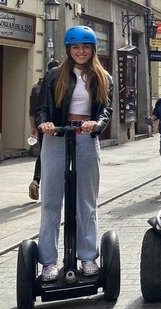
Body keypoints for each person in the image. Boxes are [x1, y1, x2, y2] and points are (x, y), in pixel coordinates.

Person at [35, 26, 113, 281]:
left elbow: (105, 111)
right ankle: (48, 262)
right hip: (56, 136)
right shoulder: (54, 75)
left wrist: (97, 125)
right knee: (50, 202)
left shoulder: (103, 77)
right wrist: (44, 124)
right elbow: (43, 107)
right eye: (76, 47)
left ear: (93, 50)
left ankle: (88, 256)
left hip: (86, 137)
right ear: (69, 49)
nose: (81, 51)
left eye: (86, 47)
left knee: (86, 203)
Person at [28, 59, 60, 200]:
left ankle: (36, 180)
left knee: (44, 152)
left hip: (40, 122)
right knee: (51, 155)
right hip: (54, 124)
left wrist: (33, 126)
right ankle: (46, 184)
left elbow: (32, 110)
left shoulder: (36, 86)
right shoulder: (58, 83)